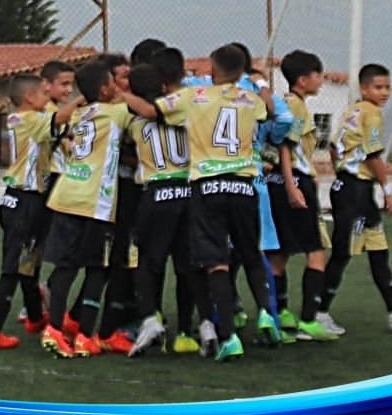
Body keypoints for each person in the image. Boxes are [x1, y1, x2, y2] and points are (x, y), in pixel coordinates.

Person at [124, 45, 281, 361]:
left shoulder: (193, 96)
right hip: (242, 185)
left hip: (204, 187)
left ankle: (226, 337)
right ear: (242, 71)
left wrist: (120, 93)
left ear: (211, 67)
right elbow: (269, 110)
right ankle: (264, 313)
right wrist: (262, 83)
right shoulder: (249, 98)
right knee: (250, 254)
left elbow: (152, 111)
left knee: (212, 261)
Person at [321, 63, 392, 333]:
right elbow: (373, 156)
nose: (384, 93)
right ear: (364, 88)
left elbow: (334, 148)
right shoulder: (371, 114)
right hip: (355, 193)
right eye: (378, 87)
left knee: (379, 252)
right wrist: (387, 190)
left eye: (387, 88)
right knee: (342, 254)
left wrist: (342, 172)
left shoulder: (353, 110)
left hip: (354, 189)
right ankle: (318, 315)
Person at [41, 60, 137, 358]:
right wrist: (124, 96)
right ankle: (84, 336)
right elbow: (144, 111)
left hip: (66, 195)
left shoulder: (79, 113)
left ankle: (54, 329)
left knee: (66, 267)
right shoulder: (116, 113)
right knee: (97, 268)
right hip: (95, 203)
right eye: (113, 81)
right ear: (105, 89)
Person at [125, 54, 217, 358]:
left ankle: (150, 320)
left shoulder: (132, 117)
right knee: (190, 265)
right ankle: (205, 324)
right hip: (187, 191)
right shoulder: (185, 109)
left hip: (155, 192)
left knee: (146, 263)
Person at [0, 74, 77, 350]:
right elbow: (59, 119)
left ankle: (35, 317)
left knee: (29, 262)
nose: (48, 98)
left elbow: (60, 130)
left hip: (29, 200)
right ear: (29, 97)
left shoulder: (30, 119)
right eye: (44, 93)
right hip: (23, 201)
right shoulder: (27, 119)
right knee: (12, 268)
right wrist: (85, 99)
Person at [265, 50, 338, 341]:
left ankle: (275, 317)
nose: (322, 80)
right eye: (319, 75)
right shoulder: (295, 106)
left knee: (279, 253)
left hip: (279, 180)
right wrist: (292, 185)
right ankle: (309, 320)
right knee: (316, 250)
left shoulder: (284, 102)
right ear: (303, 79)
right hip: (292, 181)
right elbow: (286, 145)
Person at [17, 60, 75, 324]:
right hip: (48, 182)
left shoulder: (52, 110)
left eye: (71, 84)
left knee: (38, 245)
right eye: (64, 84)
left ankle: (34, 300)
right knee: (40, 245)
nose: (69, 89)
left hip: (52, 180)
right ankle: (36, 299)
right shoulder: (47, 112)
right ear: (46, 85)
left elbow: (65, 140)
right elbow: (63, 131)